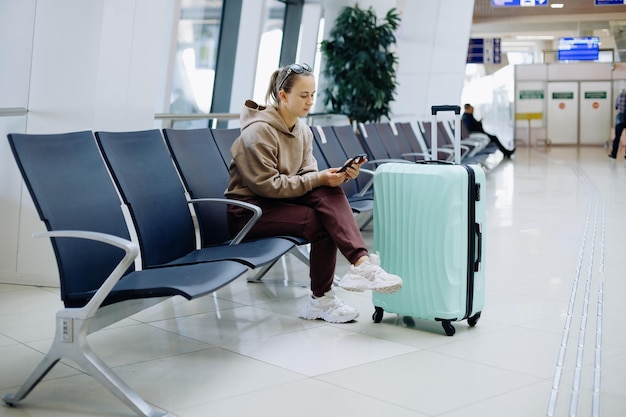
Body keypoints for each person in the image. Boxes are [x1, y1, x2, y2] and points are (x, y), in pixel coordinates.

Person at [224, 63, 403, 323]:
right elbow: (268, 186)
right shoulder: (257, 132)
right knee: (323, 218)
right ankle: (322, 298)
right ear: (283, 96)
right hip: (250, 214)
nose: (310, 102)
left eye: (313, 95)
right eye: (303, 95)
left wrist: (334, 177)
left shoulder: (303, 131)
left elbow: (309, 175)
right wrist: (318, 179)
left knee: (327, 194)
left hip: (281, 204)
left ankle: (361, 265)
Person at [608, 87, 626, 160]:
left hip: (620, 119)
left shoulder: (619, 96)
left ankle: (614, 154)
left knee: (617, 137)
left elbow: (616, 107)